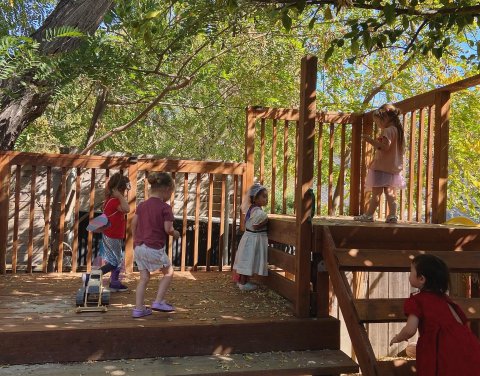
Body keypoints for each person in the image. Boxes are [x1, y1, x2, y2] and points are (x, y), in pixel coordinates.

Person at [390, 254, 480, 375]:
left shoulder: (417, 300)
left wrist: (398, 337)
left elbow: (410, 330)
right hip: (468, 345)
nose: (409, 275)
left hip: (442, 348)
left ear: (421, 278)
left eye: (411, 271)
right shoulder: (445, 300)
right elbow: (460, 322)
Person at [131, 172, 180, 318]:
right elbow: (168, 229)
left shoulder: (141, 205)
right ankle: (158, 301)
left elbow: (133, 224)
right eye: (171, 193)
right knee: (169, 272)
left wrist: (136, 241)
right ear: (167, 190)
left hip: (139, 247)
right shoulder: (165, 208)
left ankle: (139, 309)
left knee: (144, 278)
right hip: (153, 248)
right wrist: (175, 234)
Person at [354, 103, 406, 223]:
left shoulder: (387, 131)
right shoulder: (398, 131)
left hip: (381, 167)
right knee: (390, 193)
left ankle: (369, 215)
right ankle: (392, 216)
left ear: (385, 118)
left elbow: (384, 147)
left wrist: (371, 141)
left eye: (378, 123)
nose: (379, 126)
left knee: (376, 193)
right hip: (393, 168)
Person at [233, 183, 269, 291]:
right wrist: (265, 222)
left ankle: (242, 281)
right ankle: (243, 283)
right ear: (255, 198)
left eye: (267, 196)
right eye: (264, 196)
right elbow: (255, 226)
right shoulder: (258, 212)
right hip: (253, 239)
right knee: (248, 259)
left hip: (248, 237)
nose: (266, 199)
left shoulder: (251, 208)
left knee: (246, 259)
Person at [100, 172, 130, 292]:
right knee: (115, 261)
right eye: (124, 190)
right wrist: (120, 196)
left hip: (112, 235)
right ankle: (92, 276)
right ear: (118, 189)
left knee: (117, 260)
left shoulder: (110, 200)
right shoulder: (114, 201)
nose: (125, 192)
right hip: (112, 235)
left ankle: (115, 282)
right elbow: (127, 209)